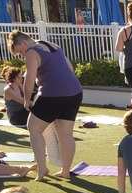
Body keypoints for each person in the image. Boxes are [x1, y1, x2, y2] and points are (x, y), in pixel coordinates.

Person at [7, 30, 83, 181]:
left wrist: (26, 100)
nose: (21, 56)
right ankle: (65, 171)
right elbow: (70, 68)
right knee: (65, 134)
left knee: (33, 128)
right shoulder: (52, 44)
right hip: (74, 92)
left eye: (19, 52)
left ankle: (42, 169)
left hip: (52, 95)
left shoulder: (31, 52)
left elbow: (29, 80)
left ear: (22, 43)